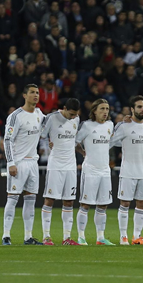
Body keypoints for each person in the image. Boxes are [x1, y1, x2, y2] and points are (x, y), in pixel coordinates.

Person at [2, 84, 45, 245]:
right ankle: (6, 235)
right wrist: (11, 163)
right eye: (32, 92)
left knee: (30, 200)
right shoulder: (16, 116)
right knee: (12, 199)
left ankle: (28, 236)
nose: (35, 95)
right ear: (24, 95)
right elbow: (7, 139)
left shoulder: (40, 114)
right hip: (18, 163)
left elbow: (49, 126)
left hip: (33, 163)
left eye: (37, 93)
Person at [111, 96, 143, 245]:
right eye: (139, 107)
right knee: (125, 204)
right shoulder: (124, 126)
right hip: (128, 172)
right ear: (132, 109)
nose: (142, 109)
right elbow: (110, 141)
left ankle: (137, 236)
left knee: (142, 204)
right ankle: (123, 237)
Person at [40, 98, 81, 246]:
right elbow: (41, 135)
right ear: (64, 108)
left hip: (70, 165)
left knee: (69, 201)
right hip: (56, 164)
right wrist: (47, 144)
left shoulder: (76, 119)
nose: (73, 117)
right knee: (50, 199)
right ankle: (46, 236)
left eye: (75, 115)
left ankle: (67, 238)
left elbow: (74, 140)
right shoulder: (51, 118)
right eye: (71, 114)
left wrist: (82, 151)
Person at [75, 99, 115, 246]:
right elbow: (75, 141)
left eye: (107, 109)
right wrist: (83, 152)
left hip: (105, 170)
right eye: (102, 109)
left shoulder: (110, 125)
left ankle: (100, 238)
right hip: (90, 170)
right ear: (94, 111)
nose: (105, 112)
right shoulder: (86, 125)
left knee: (103, 205)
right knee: (85, 204)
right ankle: (81, 236)